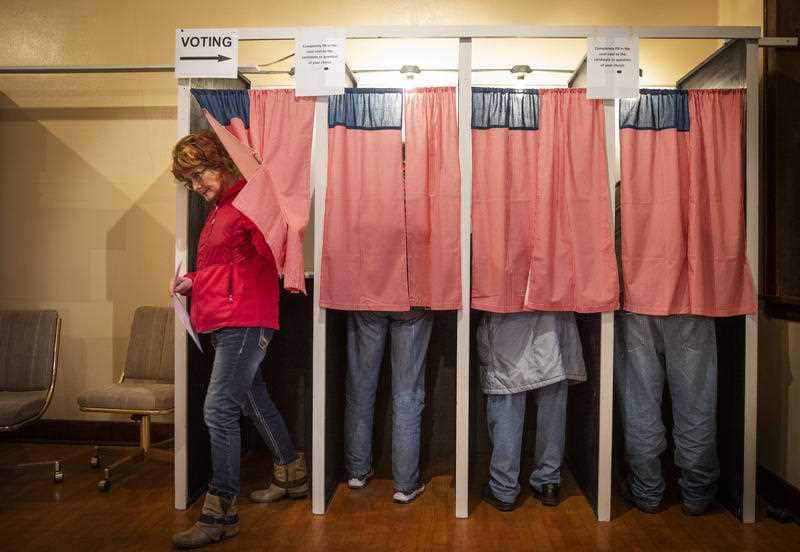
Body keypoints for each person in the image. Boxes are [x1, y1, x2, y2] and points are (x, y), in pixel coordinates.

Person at [170, 130, 307, 549]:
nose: (197, 187)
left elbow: (273, 255)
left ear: (220, 163)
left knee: (218, 409)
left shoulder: (249, 205)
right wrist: (192, 280)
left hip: (245, 319)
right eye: (190, 181)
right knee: (251, 399)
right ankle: (292, 472)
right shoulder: (220, 211)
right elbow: (226, 266)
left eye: (199, 175)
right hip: (224, 319)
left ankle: (220, 513)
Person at [477, 311, 586, 511]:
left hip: (507, 315)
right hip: (553, 317)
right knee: (552, 401)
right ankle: (548, 482)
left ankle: (504, 487)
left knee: (508, 396)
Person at [344, 310, 433, 504]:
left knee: (360, 386)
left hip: (367, 293)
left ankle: (357, 471)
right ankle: (406, 483)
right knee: (407, 393)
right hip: (412, 299)